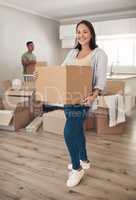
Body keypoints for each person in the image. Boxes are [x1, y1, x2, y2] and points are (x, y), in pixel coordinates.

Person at [62, 20, 107, 187]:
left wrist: (94, 95)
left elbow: (101, 80)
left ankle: (77, 168)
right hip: (68, 99)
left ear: (91, 33)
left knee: (68, 132)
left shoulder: (98, 53)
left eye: (85, 31)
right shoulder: (72, 52)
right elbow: (61, 71)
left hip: (83, 101)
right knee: (77, 130)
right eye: (78, 31)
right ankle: (84, 159)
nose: (81, 35)